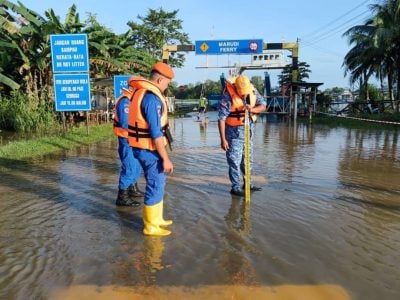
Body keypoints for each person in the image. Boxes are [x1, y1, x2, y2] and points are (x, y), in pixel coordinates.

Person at [127, 62, 174, 236]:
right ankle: (150, 226)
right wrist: (166, 158)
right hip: (149, 149)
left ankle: (157, 219)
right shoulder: (152, 98)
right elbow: (155, 133)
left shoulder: (141, 93)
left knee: (158, 182)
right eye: (167, 83)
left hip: (143, 147)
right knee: (155, 184)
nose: (166, 87)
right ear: (160, 79)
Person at [218, 75, 266, 196]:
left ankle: (248, 184)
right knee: (234, 160)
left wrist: (253, 109)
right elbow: (221, 119)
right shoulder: (227, 95)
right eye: (241, 93)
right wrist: (223, 139)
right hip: (233, 133)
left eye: (246, 93)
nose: (244, 96)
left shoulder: (253, 90)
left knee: (248, 160)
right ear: (236, 88)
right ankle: (235, 187)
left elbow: (263, 106)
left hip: (249, 131)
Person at [113, 88, 144, 207]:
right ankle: (122, 197)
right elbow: (126, 123)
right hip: (127, 139)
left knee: (136, 165)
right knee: (129, 166)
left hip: (134, 139)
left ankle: (132, 189)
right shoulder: (125, 101)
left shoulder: (131, 101)